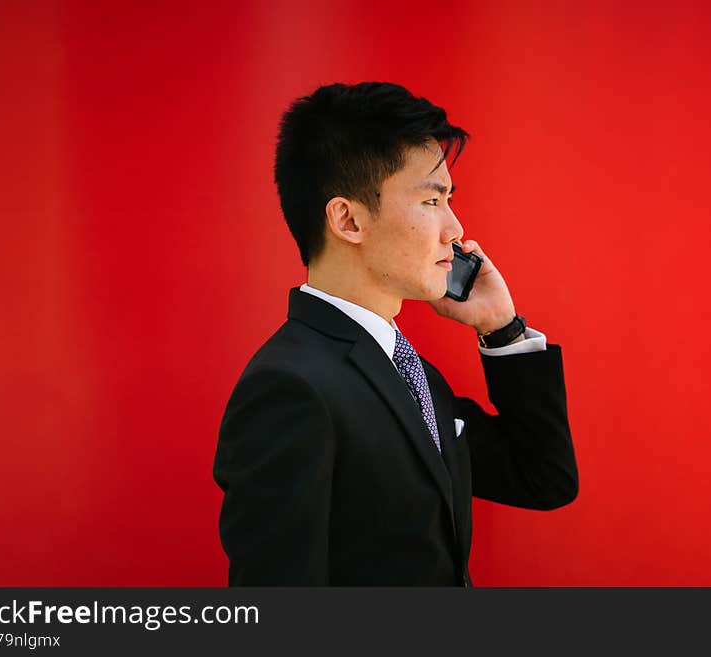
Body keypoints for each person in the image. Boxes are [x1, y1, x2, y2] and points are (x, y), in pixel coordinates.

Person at [212, 81, 578, 586]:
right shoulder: (291, 389)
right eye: (431, 201)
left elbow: (543, 480)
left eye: (449, 199)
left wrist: (501, 329)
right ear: (348, 220)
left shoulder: (406, 370)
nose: (455, 229)